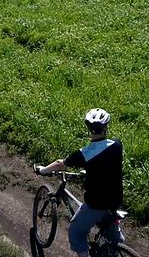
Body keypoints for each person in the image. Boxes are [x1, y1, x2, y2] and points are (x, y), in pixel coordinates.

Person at [35, 108, 123, 257]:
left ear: (89, 128)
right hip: (115, 200)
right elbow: (106, 165)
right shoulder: (116, 145)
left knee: (75, 233)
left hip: (97, 203)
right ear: (105, 127)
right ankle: (118, 245)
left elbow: (59, 164)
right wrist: (89, 171)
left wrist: (42, 170)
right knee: (110, 227)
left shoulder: (85, 153)